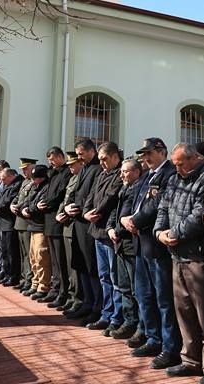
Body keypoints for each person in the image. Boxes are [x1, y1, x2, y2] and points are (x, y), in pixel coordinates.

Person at [155, 143, 204, 384]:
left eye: (181, 163)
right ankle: (190, 359)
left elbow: (199, 215)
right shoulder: (174, 179)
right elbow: (163, 207)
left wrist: (175, 233)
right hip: (176, 255)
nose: (177, 168)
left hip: (197, 256)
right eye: (174, 164)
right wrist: (159, 232)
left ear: (194, 158)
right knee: (184, 312)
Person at [125, 137, 181, 369]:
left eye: (149, 153)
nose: (145, 158)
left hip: (156, 245)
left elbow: (157, 205)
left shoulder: (169, 173)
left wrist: (135, 220)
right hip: (141, 243)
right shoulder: (147, 175)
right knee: (144, 295)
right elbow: (136, 200)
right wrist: (126, 219)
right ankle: (153, 338)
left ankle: (170, 348)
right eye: (143, 154)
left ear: (161, 151)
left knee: (163, 298)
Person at [84, 141, 125, 333]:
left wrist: (95, 213)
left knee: (114, 278)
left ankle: (117, 318)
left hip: (108, 233)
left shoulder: (119, 174)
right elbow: (90, 196)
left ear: (115, 157)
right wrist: (86, 213)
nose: (101, 163)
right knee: (103, 277)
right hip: (96, 231)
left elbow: (110, 199)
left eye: (105, 159)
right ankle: (106, 314)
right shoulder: (102, 174)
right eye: (99, 159)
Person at [66, 139, 103, 324]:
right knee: (80, 264)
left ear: (91, 152)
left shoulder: (97, 169)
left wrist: (79, 208)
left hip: (88, 223)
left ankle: (96, 306)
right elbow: (75, 191)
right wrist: (68, 207)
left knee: (91, 266)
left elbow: (93, 195)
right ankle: (86, 302)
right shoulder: (85, 168)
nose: (78, 157)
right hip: (78, 221)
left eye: (81, 154)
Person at [108, 157, 145, 340]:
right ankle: (129, 321)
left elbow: (130, 216)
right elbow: (116, 213)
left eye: (126, 171)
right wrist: (110, 229)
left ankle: (140, 325)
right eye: (122, 171)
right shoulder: (124, 188)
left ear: (137, 172)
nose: (122, 174)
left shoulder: (139, 188)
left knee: (135, 288)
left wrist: (117, 230)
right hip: (119, 243)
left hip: (131, 244)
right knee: (123, 286)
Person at [36, 146, 71, 307]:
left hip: (57, 219)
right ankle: (55, 289)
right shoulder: (52, 173)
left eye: (52, 159)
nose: (50, 162)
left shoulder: (66, 173)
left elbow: (60, 194)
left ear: (59, 156)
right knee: (54, 260)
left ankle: (63, 292)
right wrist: (41, 203)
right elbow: (47, 192)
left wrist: (48, 204)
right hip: (48, 219)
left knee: (61, 260)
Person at [55, 151, 86, 312]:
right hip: (67, 224)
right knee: (68, 264)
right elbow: (66, 200)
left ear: (81, 163)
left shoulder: (83, 178)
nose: (70, 167)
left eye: (73, 164)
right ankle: (71, 296)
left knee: (75, 266)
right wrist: (60, 214)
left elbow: (75, 201)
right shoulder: (73, 178)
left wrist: (66, 213)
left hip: (75, 224)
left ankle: (77, 298)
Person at [24, 165, 52, 299]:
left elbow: (40, 205)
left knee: (42, 257)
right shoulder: (35, 187)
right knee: (33, 257)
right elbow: (29, 202)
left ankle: (43, 285)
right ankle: (35, 283)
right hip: (33, 225)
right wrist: (28, 208)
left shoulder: (46, 187)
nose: (34, 181)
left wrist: (30, 208)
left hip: (41, 226)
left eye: (36, 178)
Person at [0, 165, 23, 286]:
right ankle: (6, 273)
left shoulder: (17, 184)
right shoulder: (8, 184)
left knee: (11, 252)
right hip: (4, 222)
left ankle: (13, 275)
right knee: (4, 250)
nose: (2, 181)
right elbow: (0, 198)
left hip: (10, 222)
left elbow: (7, 202)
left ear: (11, 176)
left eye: (4, 179)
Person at [11, 158, 37, 292]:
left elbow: (29, 199)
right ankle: (24, 278)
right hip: (19, 221)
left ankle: (29, 279)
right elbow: (18, 197)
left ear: (33, 167)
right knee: (22, 253)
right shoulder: (24, 182)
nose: (24, 171)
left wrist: (19, 206)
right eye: (23, 169)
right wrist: (12, 204)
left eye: (26, 169)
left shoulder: (34, 181)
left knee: (29, 253)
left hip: (27, 221)